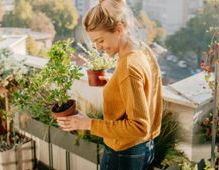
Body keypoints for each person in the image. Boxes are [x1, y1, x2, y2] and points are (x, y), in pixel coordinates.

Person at [56, 0, 163, 169]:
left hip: (124, 153)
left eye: (101, 40)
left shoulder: (128, 67)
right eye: (95, 43)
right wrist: (113, 83)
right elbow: (147, 89)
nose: (99, 48)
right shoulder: (142, 50)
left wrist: (86, 124)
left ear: (119, 29)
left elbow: (139, 127)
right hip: (145, 147)